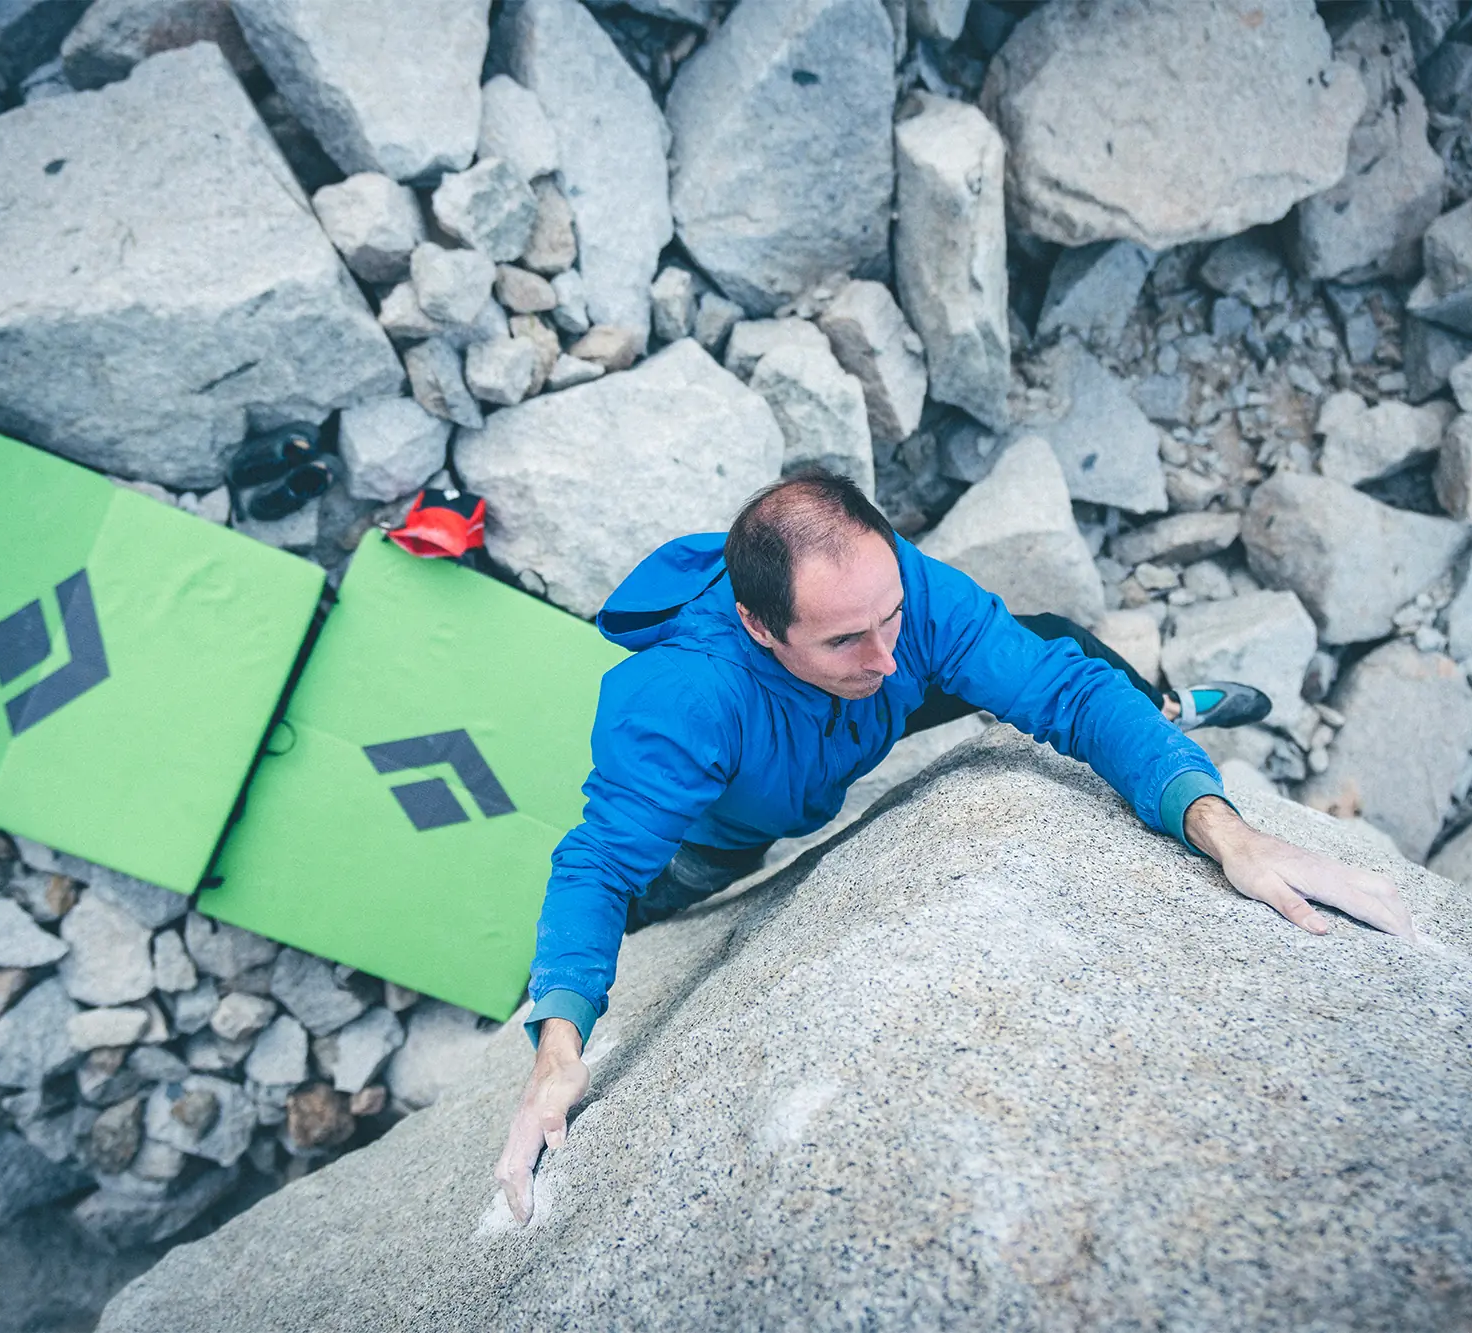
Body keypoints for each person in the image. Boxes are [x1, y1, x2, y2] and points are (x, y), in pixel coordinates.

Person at [493, 471, 1413, 1223]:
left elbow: (1057, 689)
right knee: (646, 900)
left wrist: (1227, 832)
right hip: (712, 839)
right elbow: (600, 866)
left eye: (890, 611)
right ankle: (522, 988)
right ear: (759, 626)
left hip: (844, 726)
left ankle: (1168, 711)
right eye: (847, 634)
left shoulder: (896, 605)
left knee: (1054, 646)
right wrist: (559, 1040)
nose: (888, 651)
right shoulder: (684, 700)